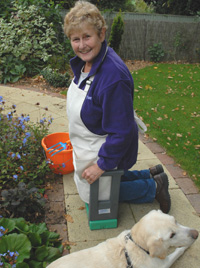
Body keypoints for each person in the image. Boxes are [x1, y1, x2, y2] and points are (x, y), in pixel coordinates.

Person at [64, 0, 171, 213]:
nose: (82, 45)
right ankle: (151, 174)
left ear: (101, 34)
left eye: (87, 37)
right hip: (91, 141)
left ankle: (153, 187)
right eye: (76, 39)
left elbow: (120, 131)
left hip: (106, 145)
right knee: (100, 182)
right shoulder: (87, 62)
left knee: (96, 192)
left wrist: (101, 165)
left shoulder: (113, 78)